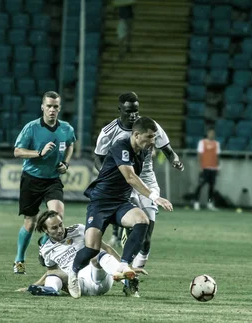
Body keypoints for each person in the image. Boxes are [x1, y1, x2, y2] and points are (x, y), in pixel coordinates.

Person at [69, 117, 173, 299]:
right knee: (92, 248)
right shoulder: (121, 146)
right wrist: (155, 197)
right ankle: (73, 273)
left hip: (120, 202)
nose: (153, 142)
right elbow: (130, 178)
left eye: (154, 137)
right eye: (149, 137)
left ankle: (124, 264)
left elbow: (137, 179)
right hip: (100, 203)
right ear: (136, 135)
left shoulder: (142, 152)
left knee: (142, 220)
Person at [93, 92, 183, 269]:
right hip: (123, 180)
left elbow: (168, 150)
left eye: (136, 111)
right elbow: (98, 158)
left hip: (146, 178)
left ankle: (138, 263)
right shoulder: (109, 132)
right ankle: (129, 274)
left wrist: (175, 160)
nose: (133, 115)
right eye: (128, 111)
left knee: (146, 236)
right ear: (120, 109)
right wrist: (108, 175)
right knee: (134, 227)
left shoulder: (149, 126)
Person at [12, 91, 75, 275]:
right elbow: (17, 151)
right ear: (42, 107)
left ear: (60, 108)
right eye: (49, 106)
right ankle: (19, 259)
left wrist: (66, 163)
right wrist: (39, 153)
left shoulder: (66, 129)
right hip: (31, 179)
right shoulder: (31, 128)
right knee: (30, 223)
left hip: (53, 180)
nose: (52, 110)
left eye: (55, 106)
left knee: (58, 216)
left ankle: (44, 245)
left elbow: (71, 144)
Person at [18, 210, 144, 296]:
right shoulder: (46, 249)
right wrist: (32, 286)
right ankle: (50, 290)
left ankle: (127, 281)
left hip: (99, 277)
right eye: (54, 228)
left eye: (60, 225)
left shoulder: (79, 229)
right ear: (45, 230)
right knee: (55, 274)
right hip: (78, 285)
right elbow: (50, 272)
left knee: (97, 254)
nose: (60, 230)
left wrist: (125, 265)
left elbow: (107, 248)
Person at [193, 128, 220, 211]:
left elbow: (217, 156)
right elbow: (199, 155)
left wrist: (218, 167)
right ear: (208, 134)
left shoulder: (216, 144)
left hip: (213, 168)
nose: (212, 135)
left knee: (211, 187)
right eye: (210, 133)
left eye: (213, 133)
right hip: (205, 168)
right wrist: (200, 166)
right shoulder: (202, 142)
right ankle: (196, 202)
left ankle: (210, 203)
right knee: (200, 186)